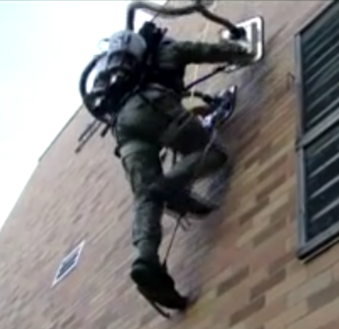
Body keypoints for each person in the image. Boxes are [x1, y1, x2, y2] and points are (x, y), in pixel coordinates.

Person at [96, 25, 255, 309]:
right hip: (152, 106)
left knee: (144, 196)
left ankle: (146, 259)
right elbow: (209, 51)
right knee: (212, 153)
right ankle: (167, 190)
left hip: (123, 128)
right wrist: (243, 52)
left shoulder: (119, 78)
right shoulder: (168, 48)